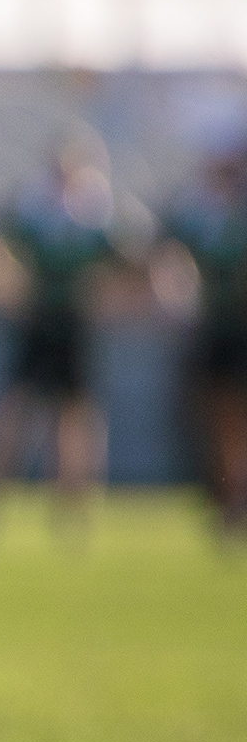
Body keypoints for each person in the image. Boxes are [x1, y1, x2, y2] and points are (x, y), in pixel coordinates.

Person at [0, 127, 141, 542]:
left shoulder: (97, 214)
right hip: (36, 324)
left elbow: (133, 264)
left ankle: (72, 507)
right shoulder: (32, 210)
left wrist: (106, 300)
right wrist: (7, 291)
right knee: (12, 413)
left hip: (72, 326)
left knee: (75, 419)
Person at [155, 142, 247, 541]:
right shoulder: (200, 215)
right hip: (218, 333)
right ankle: (231, 500)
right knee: (221, 417)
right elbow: (165, 252)